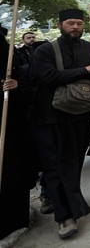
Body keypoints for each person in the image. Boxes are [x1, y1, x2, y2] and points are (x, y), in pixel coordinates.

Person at [32, 9, 90, 239]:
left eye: (79, 24)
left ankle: (58, 197)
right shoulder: (45, 50)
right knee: (55, 166)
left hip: (81, 117)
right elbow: (47, 77)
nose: (75, 27)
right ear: (60, 24)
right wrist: (85, 70)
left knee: (72, 164)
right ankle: (65, 217)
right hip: (50, 119)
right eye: (70, 23)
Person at [0, 32, 34, 241]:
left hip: (11, 124)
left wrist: (16, 85)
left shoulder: (7, 50)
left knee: (12, 171)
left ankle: (14, 220)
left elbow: (25, 79)